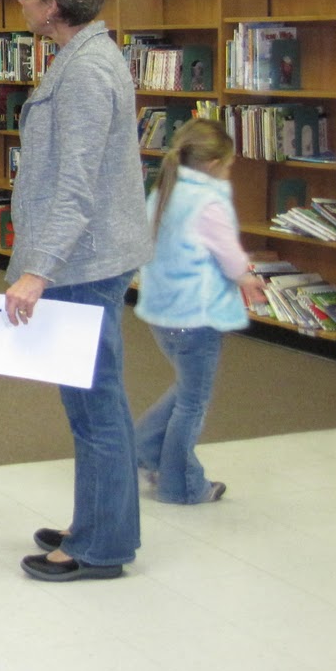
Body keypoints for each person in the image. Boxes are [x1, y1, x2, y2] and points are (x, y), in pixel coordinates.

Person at [2, 0, 153, 582]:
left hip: (82, 263)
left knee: (94, 407)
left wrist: (39, 269)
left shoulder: (87, 72)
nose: (21, 2)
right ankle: (99, 518)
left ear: (53, 4)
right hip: (88, 256)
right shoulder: (84, 53)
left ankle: (100, 545)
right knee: (98, 401)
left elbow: (77, 186)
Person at [133, 119, 266, 504]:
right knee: (194, 401)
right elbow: (228, 255)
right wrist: (247, 279)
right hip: (198, 316)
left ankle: (144, 450)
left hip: (162, 313)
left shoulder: (163, 192)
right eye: (228, 166)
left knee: (185, 389)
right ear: (212, 165)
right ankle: (183, 485)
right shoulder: (208, 201)